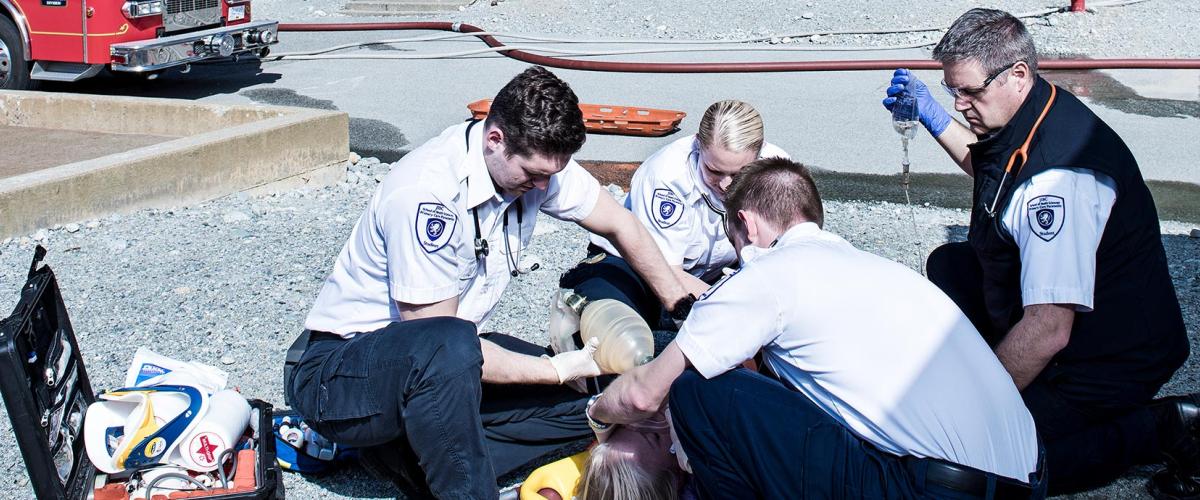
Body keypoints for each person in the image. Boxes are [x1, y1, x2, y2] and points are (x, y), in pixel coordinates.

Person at [284, 65, 690, 498]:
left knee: (604, 400)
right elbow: (438, 342)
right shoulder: (427, 194)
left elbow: (620, 224)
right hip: (342, 374)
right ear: (494, 138)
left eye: (551, 175)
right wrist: (552, 368)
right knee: (457, 347)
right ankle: (452, 479)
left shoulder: (538, 164)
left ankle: (405, 455)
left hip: (444, 365)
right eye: (532, 174)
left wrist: (680, 306)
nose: (543, 186)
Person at [588, 157, 1046, 498]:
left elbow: (644, 395)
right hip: (1028, 477)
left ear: (744, 223)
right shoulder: (886, 274)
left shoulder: (768, 274)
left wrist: (597, 413)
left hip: (934, 490)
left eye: (734, 241)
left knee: (698, 392)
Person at [881, 8, 1198, 494]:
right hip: (1073, 325)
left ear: (1018, 74)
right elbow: (997, 173)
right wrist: (930, 114)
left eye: (969, 91)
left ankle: (1164, 426)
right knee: (950, 264)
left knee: (1001, 462)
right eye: (951, 90)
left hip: (1110, 353)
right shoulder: (1033, 112)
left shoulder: (1060, 182)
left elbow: (1048, 328)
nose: (961, 103)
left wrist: (979, 405)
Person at [560, 100, 789, 330]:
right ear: (698, 145)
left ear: (760, 153)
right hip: (640, 265)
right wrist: (732, 311)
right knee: (611, 330)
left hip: (714, 274)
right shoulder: (666, 176)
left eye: (739, 173)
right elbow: (667, 271)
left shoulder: (777, 173)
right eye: (714, 171)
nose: (726, 185)